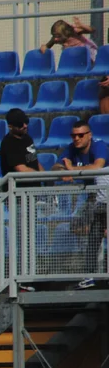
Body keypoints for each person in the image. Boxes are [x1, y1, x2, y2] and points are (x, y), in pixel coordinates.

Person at [52, 118, 109, 287]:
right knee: (89, 234)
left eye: (80, 135)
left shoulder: (99, 145)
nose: (76, 139)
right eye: (73, 135)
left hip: (106, 195)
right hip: (95, 199)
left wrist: (72, 170)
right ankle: (91, 276)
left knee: (97, 233)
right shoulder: (72, 148)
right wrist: (63, 170)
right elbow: (55, 167)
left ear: (89, 135)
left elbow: (98, 166)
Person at [0, 108, 41, 175]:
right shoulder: (8, 143)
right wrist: (41, 176)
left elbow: (34, 161)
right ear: (10, 127)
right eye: (20, 124)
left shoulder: (28, 139)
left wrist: (47, 179)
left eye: (26, 122)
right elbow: (21, 169)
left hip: (34, 183)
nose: (25, 126)